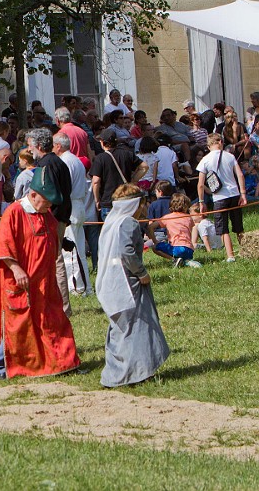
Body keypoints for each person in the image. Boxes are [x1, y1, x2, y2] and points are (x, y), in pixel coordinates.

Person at [0, 167, 80, 378]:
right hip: (20, 282)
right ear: (33, 195)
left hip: (44, 282)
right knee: (18, 326)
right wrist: (16, 269)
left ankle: (60, 362)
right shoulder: (14, 213)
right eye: (47, 201)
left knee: (52, 321)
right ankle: (2, 366)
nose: (50, 206)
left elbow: (51, 239)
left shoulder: (46, 215)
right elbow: (2, 246)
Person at [97, 183, 170, 388]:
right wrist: (142, 273)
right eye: (143, 203)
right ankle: (135, 373)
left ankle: (118, 373)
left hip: (111, 281)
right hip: (127, 283)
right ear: (136, 204)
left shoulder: (111, 221)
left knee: (121, 328)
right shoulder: (128, 223)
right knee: (136, 328)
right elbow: (126, 252)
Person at [27, 128, 73, 316]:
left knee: (55, 259)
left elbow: (51, 195)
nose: (29, 150)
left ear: (38, 145)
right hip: (58, 216)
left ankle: (62, 307)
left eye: (30, 145)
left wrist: (48, 216)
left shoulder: (46, 165)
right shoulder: (58, 162)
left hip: (52, 217)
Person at [196, 133, 247, 263]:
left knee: (223, 228)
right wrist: (243, 194)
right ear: (221, 143)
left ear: (208, 146)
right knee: (238, 226)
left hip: (219, 197)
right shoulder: (230, 156)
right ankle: (245, 251)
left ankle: (230, 256)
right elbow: (240, 175)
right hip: (234, 194)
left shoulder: (205, 160)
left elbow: (201, 184)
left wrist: (201, 202)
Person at [53, 133, 92, 296]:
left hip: (71, 206)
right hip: (76, 204)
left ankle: (78, 288)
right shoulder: (75, 159)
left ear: (58, 146)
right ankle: (82, 286)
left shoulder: (66, 162)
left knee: (71, 250)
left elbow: (65, 188)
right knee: (77, 249)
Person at [147, 193, 202, 268]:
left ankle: (174, 259)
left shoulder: (168, 218)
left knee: (154, 247)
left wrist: (155, 241)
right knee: (184, 257)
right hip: (189, 250)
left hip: (176, 248)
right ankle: (186, 261)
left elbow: (150, 227)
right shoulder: (189, 218)